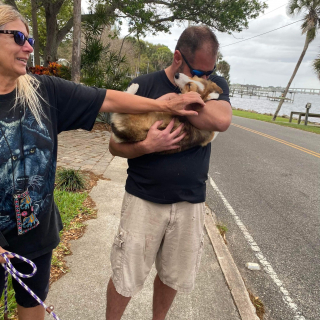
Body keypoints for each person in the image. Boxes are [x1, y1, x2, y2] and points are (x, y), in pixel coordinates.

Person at [0, 5, 205, 320]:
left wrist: (164, 103)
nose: (28, 46)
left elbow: (106, 98)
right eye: (18, 37)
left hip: (35, 233)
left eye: (31, 39)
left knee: (32, 307)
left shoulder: (44, 92)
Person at [107, 26, 232, 320]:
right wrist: (147, 145)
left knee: (172, 275)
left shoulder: (214, 82)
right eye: (199, 71)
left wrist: (178, 103)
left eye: (210, 72)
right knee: (126, 274)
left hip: (190, 202)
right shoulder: (144, 85)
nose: (205, 79)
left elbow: (222, 120)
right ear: (178, 58)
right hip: (143, 199)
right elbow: (114, 145)